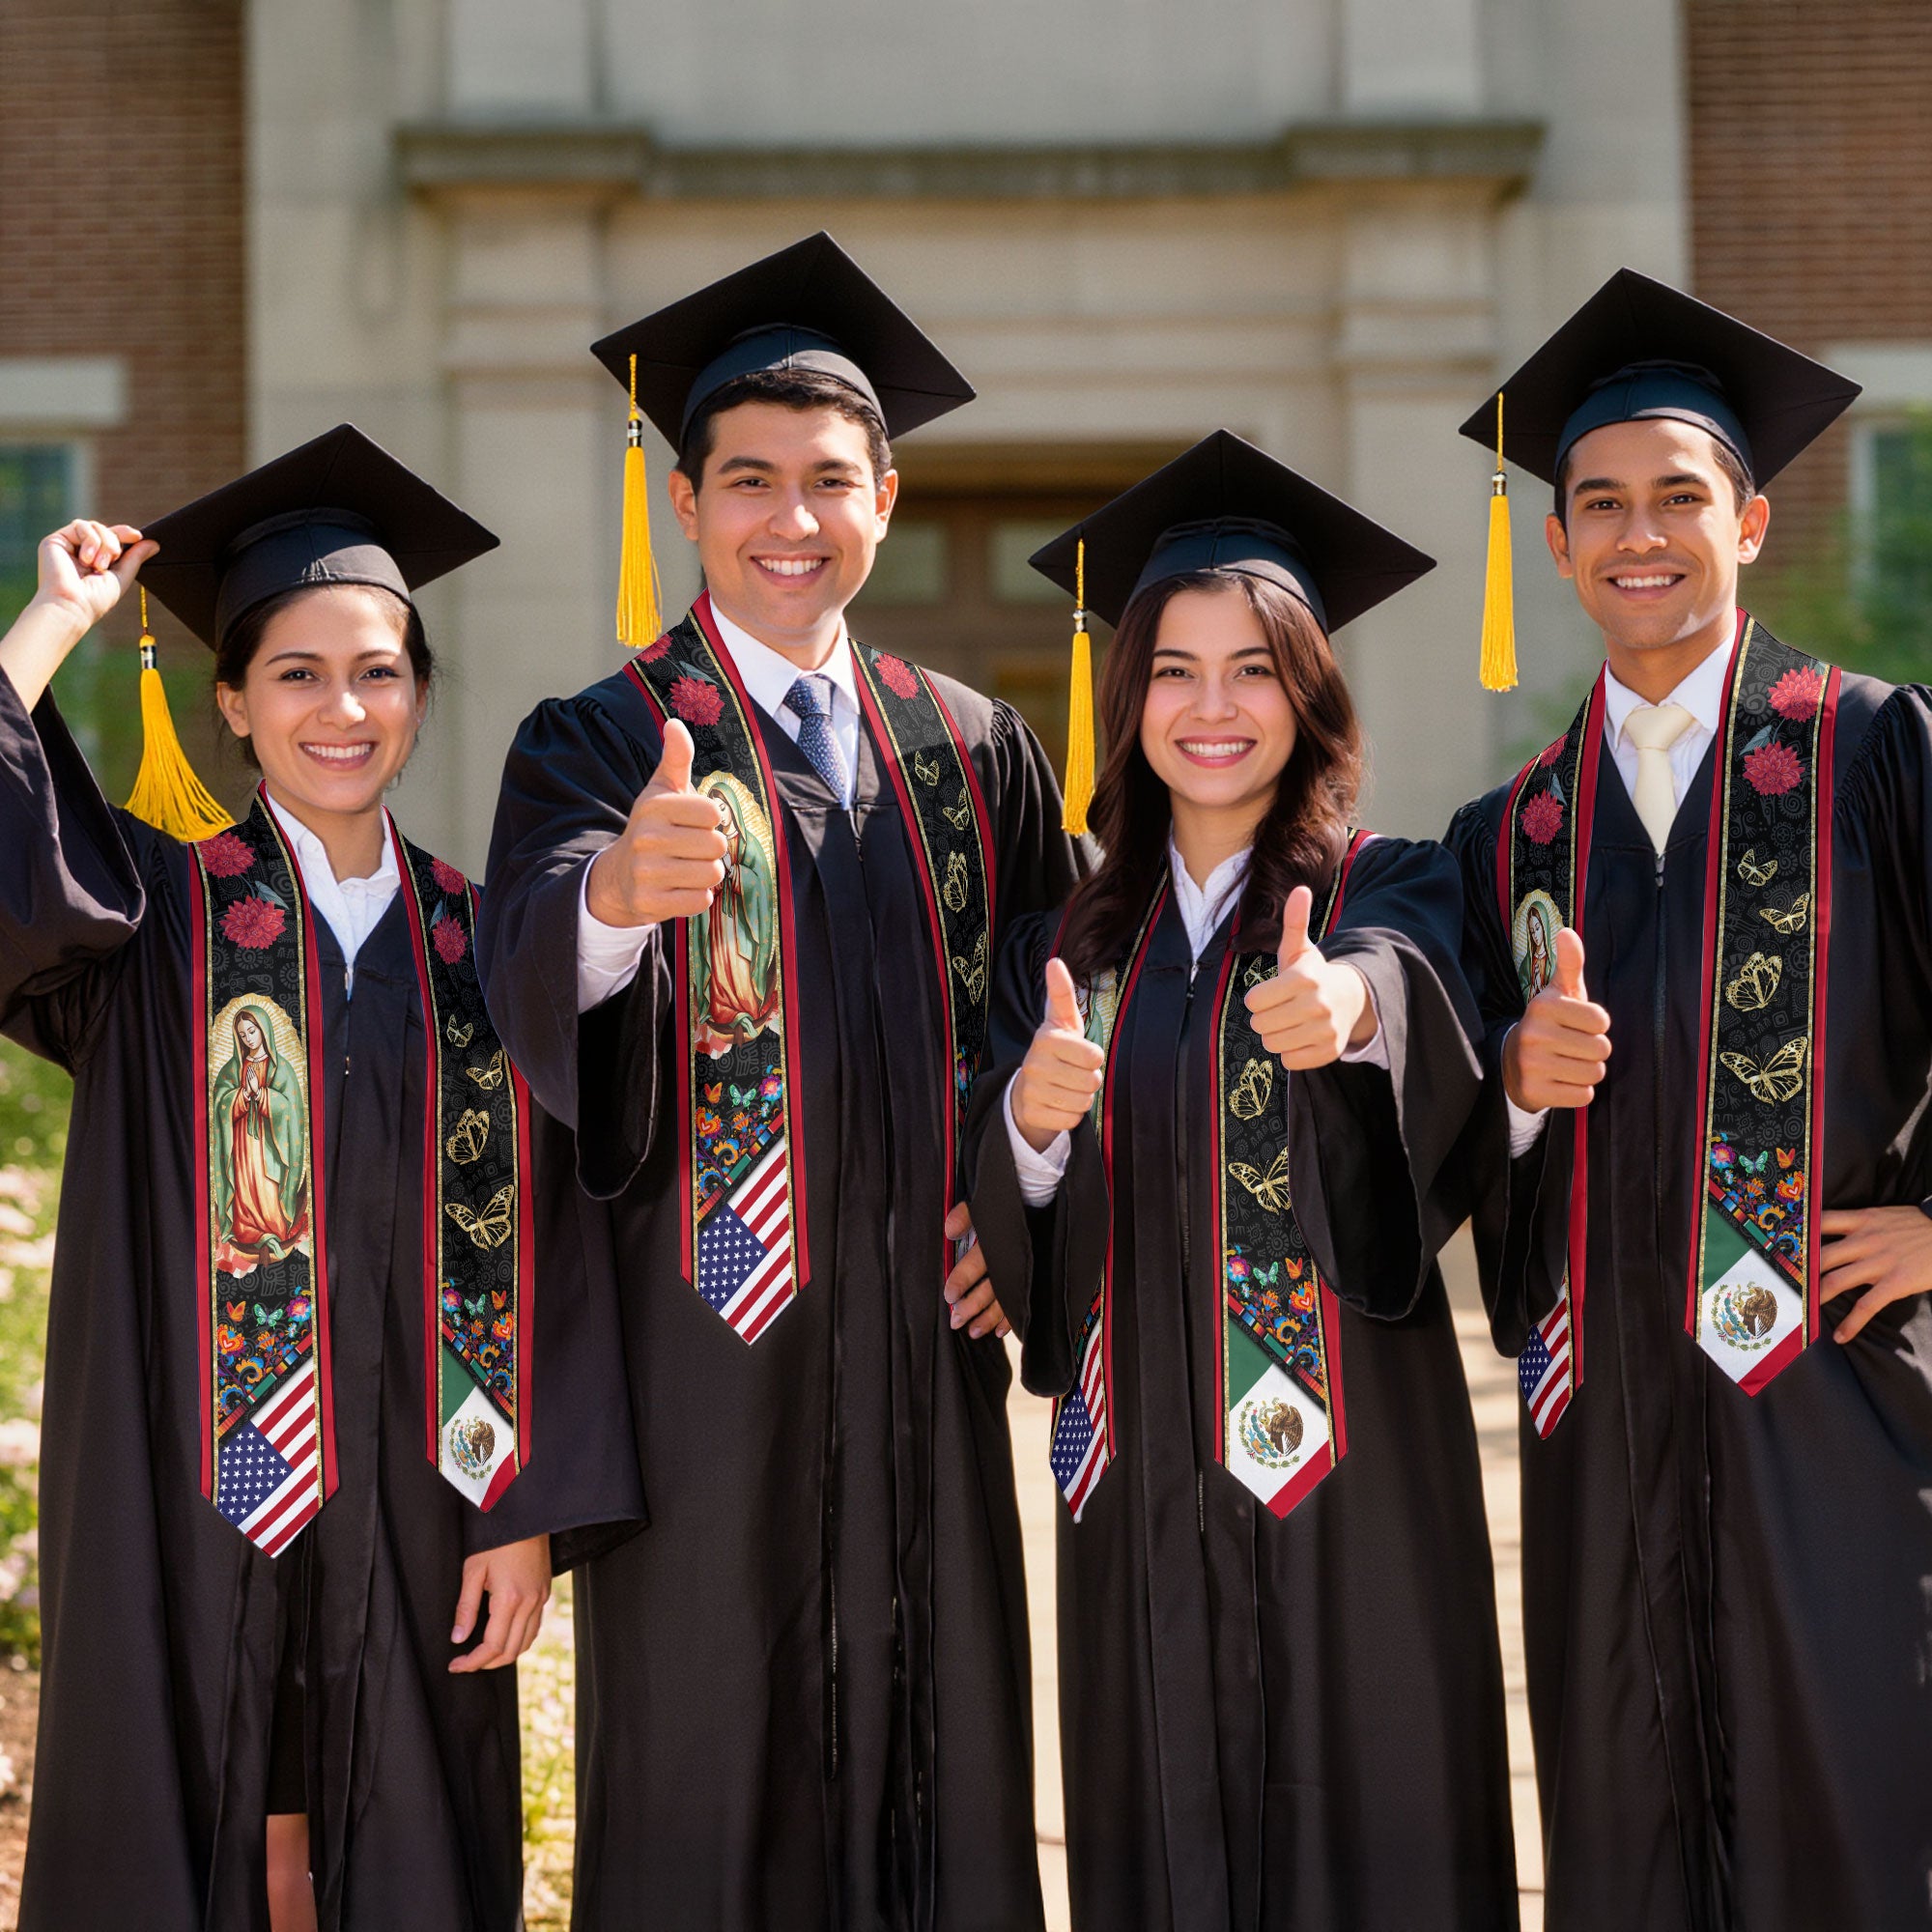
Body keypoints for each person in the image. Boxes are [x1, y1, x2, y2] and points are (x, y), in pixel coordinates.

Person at [477, 233, 1083, 1931]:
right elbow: (520, 967)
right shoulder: (599, 739)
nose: (790, 519)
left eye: (830, 481)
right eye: (749, 481)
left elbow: (1072, 1004)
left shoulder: (973, 745)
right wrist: (610, 899)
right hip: (704, 1370)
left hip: (922, 1360)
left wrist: (1021, 1197)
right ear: (687, 503)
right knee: (708, 1779)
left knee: (943, 1763)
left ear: (886, 497)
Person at [0, 426, 642, 1932]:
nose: (340, 708)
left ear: (420, 694)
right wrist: (50, 624)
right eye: (295, 673)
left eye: (378, 670)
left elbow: (558, 1241)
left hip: (430, 1495)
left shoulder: (490, 946)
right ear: (231, 701)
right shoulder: (153, 921)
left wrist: (526, 1507)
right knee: (191, 1802)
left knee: (409, 1829)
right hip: (186, 1481)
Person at [965, 432, 1518, 1931]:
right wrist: (1025, 1117)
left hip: (1356, 1478)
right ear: (1127, 697)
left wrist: (1348, 1013)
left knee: (1377, 1825)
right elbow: (1013, 1205)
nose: (1214, 709)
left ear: (1311, 693)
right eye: (1175, 671)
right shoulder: (1065, 947)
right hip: (1137, 1476)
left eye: (1256, 669)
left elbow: (1414, 991)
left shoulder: (1388, 884)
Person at [1445, 270, 1932, 1931]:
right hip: (1602, 1433)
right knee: (1624, 1827)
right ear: (1561, 543)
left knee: (1856, 1812)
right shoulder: (1507, 837)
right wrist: (1510, 1088)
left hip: (1839, 1410)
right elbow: (1441, 1144)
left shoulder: (1874, 755)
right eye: (1599, 505)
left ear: (1752, 520)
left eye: (1678, 497)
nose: (1637, 534)